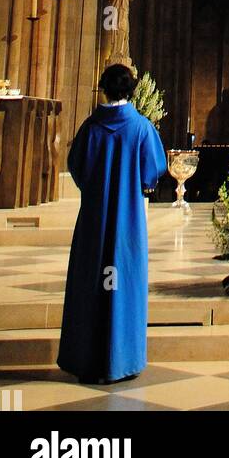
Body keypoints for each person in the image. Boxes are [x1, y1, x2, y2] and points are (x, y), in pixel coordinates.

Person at [57, 63, 167, 384]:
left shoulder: (91, 128)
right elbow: (152, 171)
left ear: (103, 88)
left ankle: (87, 359)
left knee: (91, 284)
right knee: (123, 284)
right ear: (131, 90)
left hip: (94, 220)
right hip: (128, 222)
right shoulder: (142, 128)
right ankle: (122, 360)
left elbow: (77, 168)